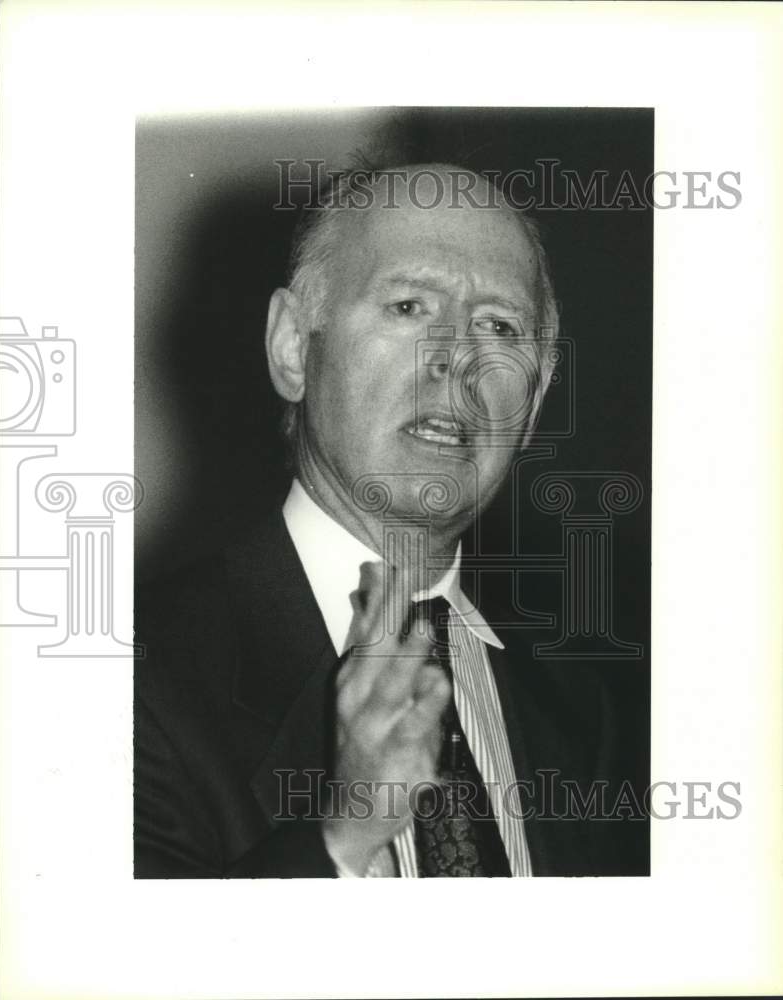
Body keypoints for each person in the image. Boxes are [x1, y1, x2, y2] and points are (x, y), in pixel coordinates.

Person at [135, 163, 645, 878]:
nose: (456, 363)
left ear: (532, 402)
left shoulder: (598, 711)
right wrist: (340, 840)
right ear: (291, 348)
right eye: (408, 307)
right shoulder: (123, 679)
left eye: (497, 325)